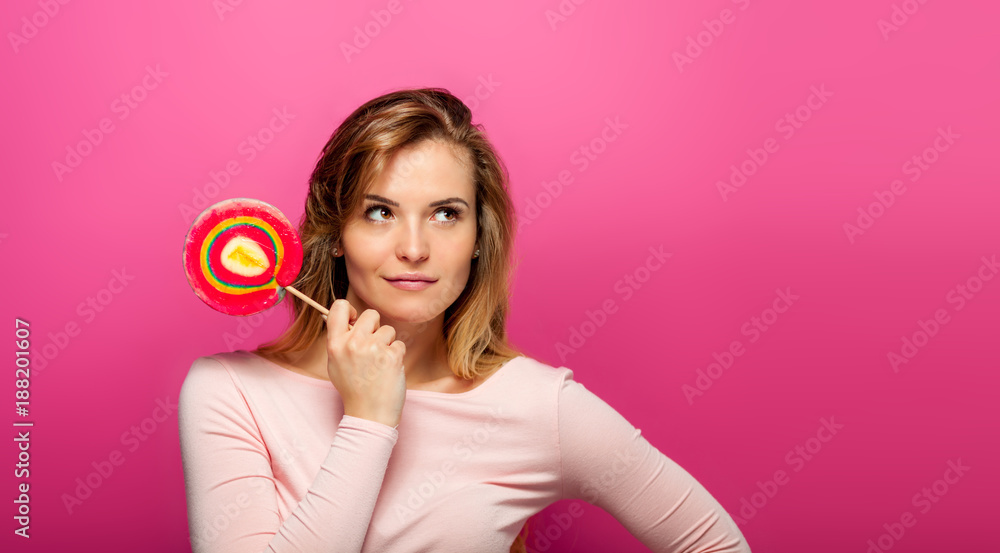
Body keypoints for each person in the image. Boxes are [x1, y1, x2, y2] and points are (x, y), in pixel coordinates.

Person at [178, 87, 751, 553]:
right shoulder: (231, 392)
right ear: (335, 235)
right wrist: (369, 420)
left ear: (479, 237)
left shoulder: (538, 406)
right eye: (379, 212)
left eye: (446, 215)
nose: (414, 248)